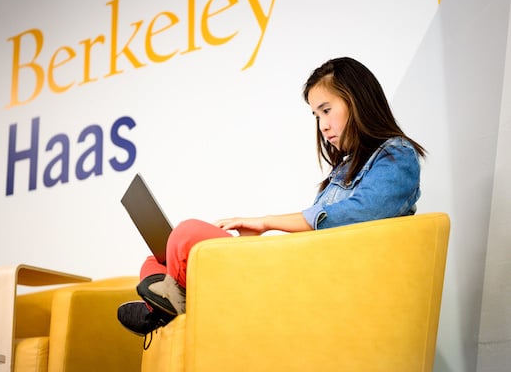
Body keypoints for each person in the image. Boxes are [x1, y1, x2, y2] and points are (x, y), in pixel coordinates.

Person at [117, 56, 426, 342]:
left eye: (327, 110)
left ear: (356, 100)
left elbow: (358, 214)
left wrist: (267, 224)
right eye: (316, 115)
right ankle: (166, 303)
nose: (323, 126)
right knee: (156, 256)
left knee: (187, 234)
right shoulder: (344, 168)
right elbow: (320, 235)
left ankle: (162, 307)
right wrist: (269, 237)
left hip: (324, 282)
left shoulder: (396, 155)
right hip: (300, 267)